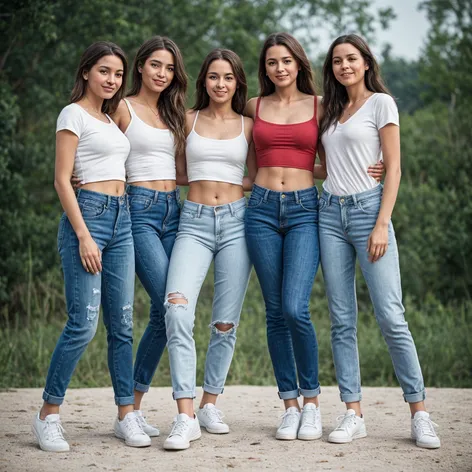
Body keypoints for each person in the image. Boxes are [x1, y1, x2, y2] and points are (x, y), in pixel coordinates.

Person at [244, 32, 383, 441]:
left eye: (286, 60)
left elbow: (336, 155)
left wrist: (376, 167)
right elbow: (230, 149)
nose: (279, 68)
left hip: (307, 209)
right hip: (261, 210)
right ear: (265, 68)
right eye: (272, 62)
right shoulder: (253, 106)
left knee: (294, 306)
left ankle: (313, 403)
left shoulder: (323, 105)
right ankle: (290, 405)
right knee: (274, 311)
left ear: (298, 63)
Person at [318, 34, 440, 449]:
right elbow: (327, 163)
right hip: (329, 213)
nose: (344, 66)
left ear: (366, 63)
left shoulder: (381, 103)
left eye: (351, 58)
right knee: (341, 318)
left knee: (390, 314)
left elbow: (395, 169)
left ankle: (419, 413)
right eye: (337, 61)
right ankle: (353, 412)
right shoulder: (329, 109)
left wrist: (382, 222)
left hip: (370, 212)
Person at [33, 41, 150, 452]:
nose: (112, 80)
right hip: (90, 219)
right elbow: (63, 179)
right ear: (86, 72)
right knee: (82, 323)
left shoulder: (106, 117)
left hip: (123, 220)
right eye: (104, 71)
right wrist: (84, 234)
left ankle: (125, 414)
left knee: (122, 324)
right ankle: (48, 415)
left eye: (118, 74)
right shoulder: (73, 114)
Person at [162, 48, 255, 450]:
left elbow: (267, 172)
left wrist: (362, 165)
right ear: (204, 81)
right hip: (194, 222)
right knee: (176, 308)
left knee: (224, 322)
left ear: (237, 83)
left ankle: (209, 403)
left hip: (238, 223)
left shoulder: (250, 125)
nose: (221, 84)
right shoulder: (187, 120)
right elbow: (171, 168)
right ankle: (185, 416)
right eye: (214, 77)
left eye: (228, 78)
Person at [110, 36, 187, 437]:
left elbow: (184, 168)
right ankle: (129, 410)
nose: (162, 73)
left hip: (175, 210)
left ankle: (133, 404)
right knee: (165, 302)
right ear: (140, 67)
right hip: (136, 211)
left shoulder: (175, 112)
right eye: (156, 65)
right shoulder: (122, 108)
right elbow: (101, 148)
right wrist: (77, 174)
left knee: (167, 311)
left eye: (170, 68)